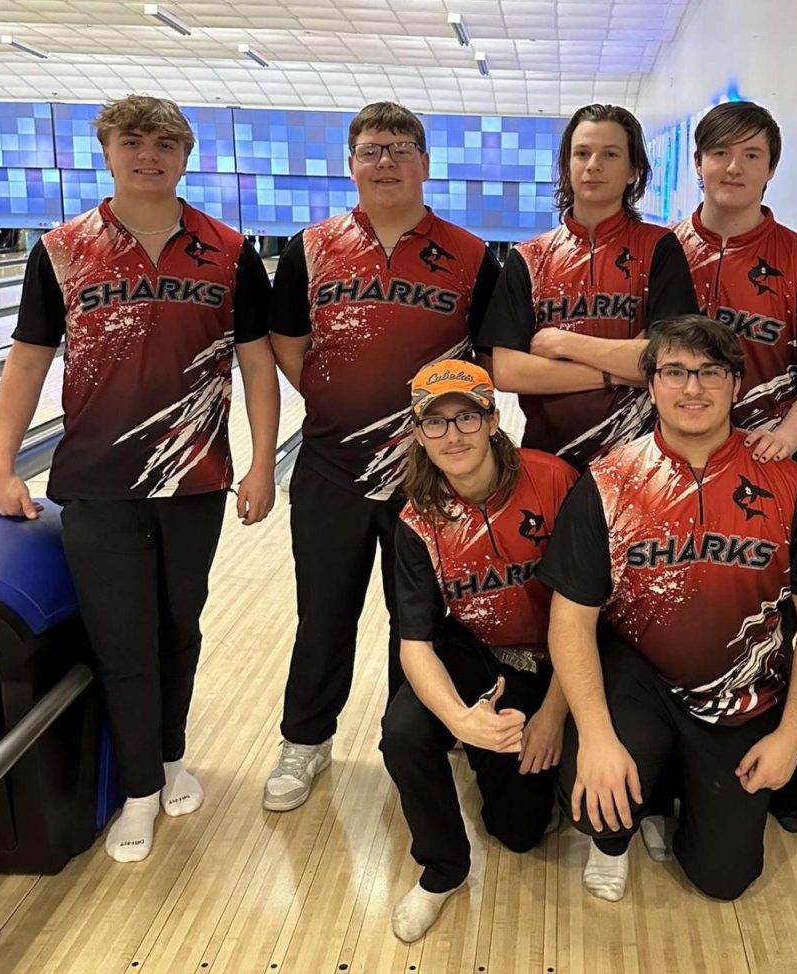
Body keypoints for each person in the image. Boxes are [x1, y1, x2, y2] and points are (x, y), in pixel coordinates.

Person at [0, 95, 279, 862]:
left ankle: (172, 752)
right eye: (133, 141)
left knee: (178, 629)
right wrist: (1, 463)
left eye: (165, 143)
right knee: (123, 639)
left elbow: (255, 363)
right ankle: (142, 789)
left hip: (196, 479)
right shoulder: (62, 248)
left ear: (185, 157)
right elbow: (25, 359)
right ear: (107, 151)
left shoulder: (227, 248)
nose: (149, 155)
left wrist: (258, 463)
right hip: (94, 479)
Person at [539, 314, 797, 902]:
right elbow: (571, 618)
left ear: (736, 385)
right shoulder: (608, 481)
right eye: (676, 372)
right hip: (637, 681)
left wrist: (791, 736)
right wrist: (598, 739)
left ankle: (673, 795)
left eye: (710, 372)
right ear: (651, 384)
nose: (693, 388)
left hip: (739, 693)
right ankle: (623, 827)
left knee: (725, 879)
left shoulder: (788, 481)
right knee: (593, 803)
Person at [265, 101, 501, 812]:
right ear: (351, 163)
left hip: (432, 476)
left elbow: (488, 361)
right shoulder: (311, 247)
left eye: (401, 148)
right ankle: (304, 742)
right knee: (324, 615)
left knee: (423, 619)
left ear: (425, 164)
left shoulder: (471, 254)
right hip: (332, 470)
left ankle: (419, 741)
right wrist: (337, 391)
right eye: (372, 149)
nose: (387, 161)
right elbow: (285, 340)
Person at [673, 99, 797, 832]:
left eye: (751, 156)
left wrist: (786, 436)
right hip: (672, 466)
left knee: (771, 622)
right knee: (671, 610)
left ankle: (785, 750)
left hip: (765, 470)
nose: (734, 168)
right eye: (721, 153)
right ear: (699, 164)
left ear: (771, 169)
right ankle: (668, 755)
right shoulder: (663, 252)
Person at [379, 359, 578, 941]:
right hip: (479, 650)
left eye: (466, 416)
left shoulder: (555, 482)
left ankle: (530, 755)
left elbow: (586, 617)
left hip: (560, 659)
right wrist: (459, 719)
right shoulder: (417, 517)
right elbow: (414, 642)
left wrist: (551, 718)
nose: (453, 434)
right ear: (418, 433)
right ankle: (442, 871)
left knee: (518, 832)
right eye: (435, 423)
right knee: (405, 733)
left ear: (493, 420)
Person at [478, 103, 699, 471]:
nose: (593, 165)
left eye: (610, 154)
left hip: (643, 461)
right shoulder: (529, 258)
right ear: (567, 165)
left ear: (634, 171)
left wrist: (563, 344)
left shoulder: (659, 248)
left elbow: (668, 359)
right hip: (549, 463)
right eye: (582, 153)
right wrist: (620, 369)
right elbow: (508, 372)